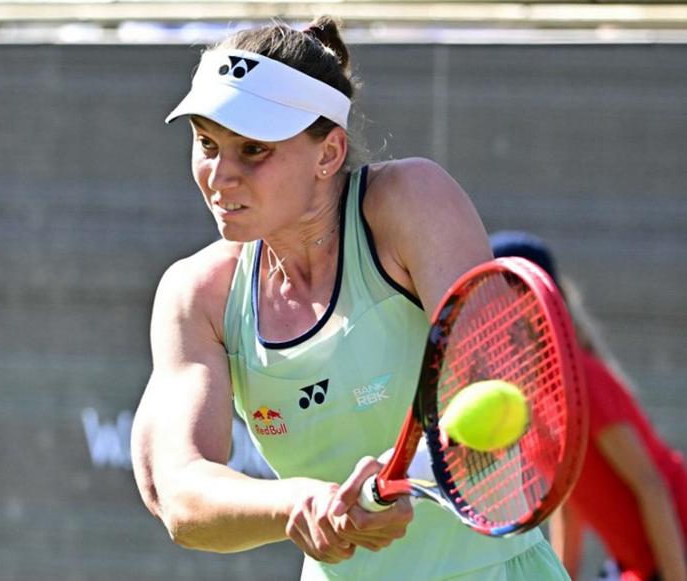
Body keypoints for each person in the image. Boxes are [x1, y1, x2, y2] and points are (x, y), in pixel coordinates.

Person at [131, 17, 569, 579]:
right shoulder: (198, 295)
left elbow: (497, 390)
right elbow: (179, 492)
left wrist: (420, 465)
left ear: (328, 153)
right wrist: (300, 505)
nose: (220, 175)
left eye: (253, 149)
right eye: (207, 143)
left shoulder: (411, 202)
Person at [490, 230, 687, 581]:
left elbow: (651, 483)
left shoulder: (581, 377)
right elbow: (569, 505)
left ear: (533, 299)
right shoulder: (529, 397)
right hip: (641, 565)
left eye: (500, 292)